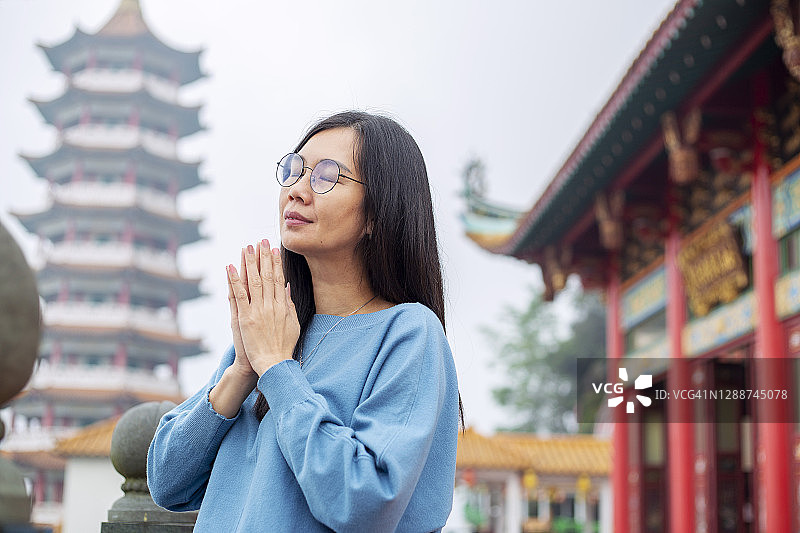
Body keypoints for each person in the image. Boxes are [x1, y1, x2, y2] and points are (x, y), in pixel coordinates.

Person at [147, 111, 461, 533]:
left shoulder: (409, 334)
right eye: (295, 170)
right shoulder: (274, 330)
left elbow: (363, 503)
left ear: (377, 213)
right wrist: (243, 370)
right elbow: (167, 483)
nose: (296, 191)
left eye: (327, 176)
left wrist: (278, 371)